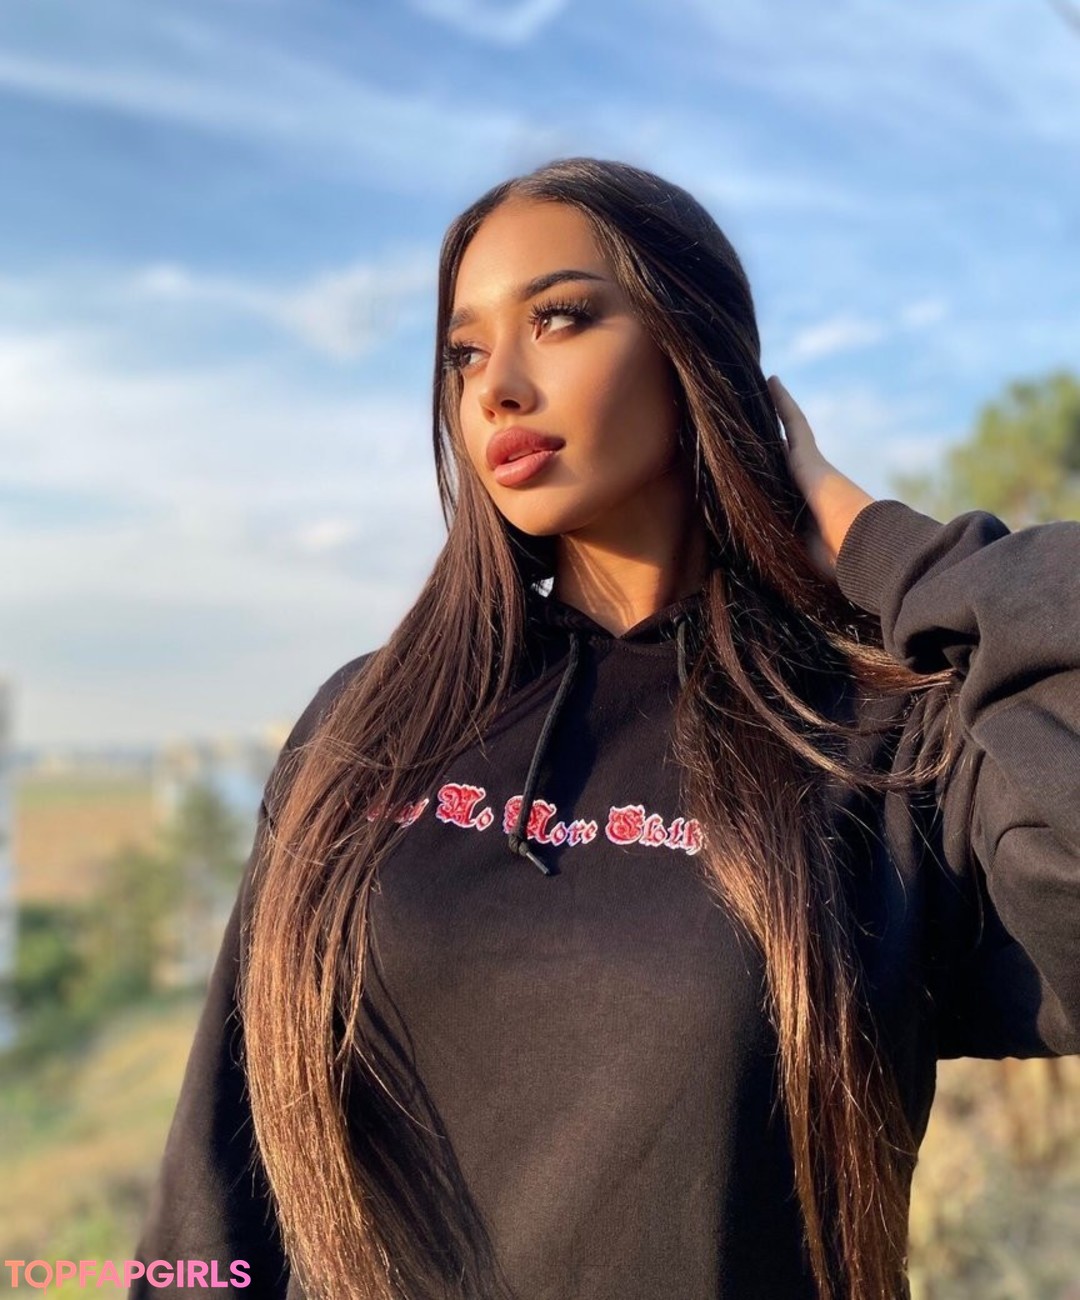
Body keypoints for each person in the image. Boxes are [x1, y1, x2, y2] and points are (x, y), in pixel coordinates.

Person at [129, 157, 1080, 1300]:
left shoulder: (871, 743)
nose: (497, 388)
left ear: (695, 351)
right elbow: (219, 1179)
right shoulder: (369, 727)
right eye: (463, 353)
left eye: (560, 318)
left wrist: (877, 539)